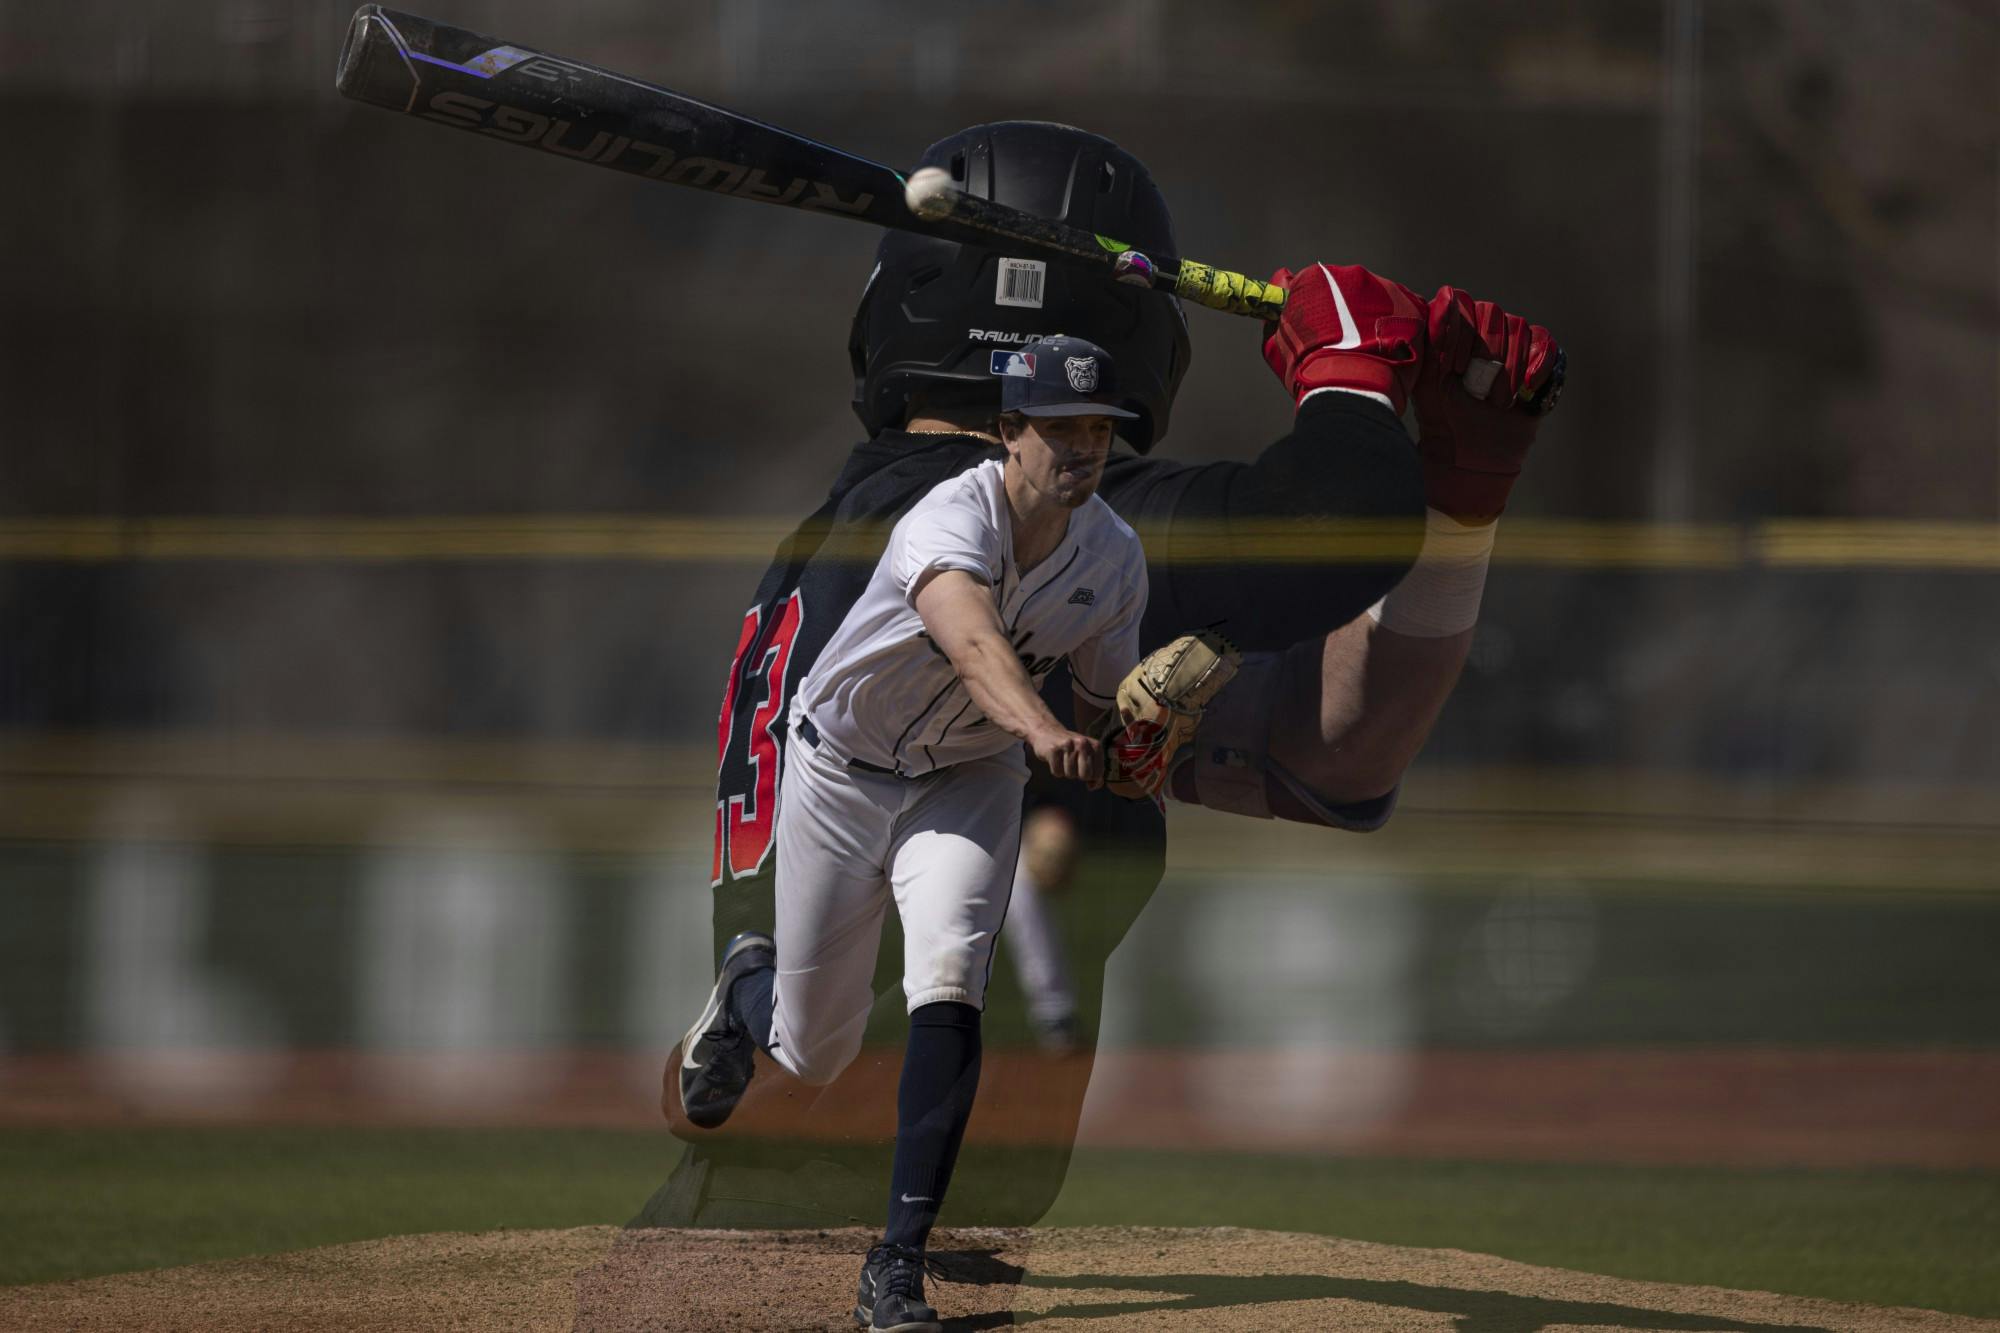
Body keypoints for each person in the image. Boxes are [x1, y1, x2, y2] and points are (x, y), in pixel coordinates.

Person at [644, 120, 1558, 1304]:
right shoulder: (1009, 531)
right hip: (824, 1234)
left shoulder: (899, 532)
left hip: (787, 1224)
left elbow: (1329, 759)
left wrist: (1459, 501)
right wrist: (1343, 377)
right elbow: (1331, 523)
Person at [677, 334, 1160, 1332]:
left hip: (966, 779)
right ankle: (745, 982)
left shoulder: (1113, 558)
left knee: (948, 976)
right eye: (1059, 426)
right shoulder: (949, 512)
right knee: (813, 1051)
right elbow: (975, 642)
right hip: (838, 766)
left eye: (1098, 428)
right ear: (1006, 430)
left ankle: (895, 1264)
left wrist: (1142, 736)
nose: (1082, 445)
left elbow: (1109, 702)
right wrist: (1045, 730)